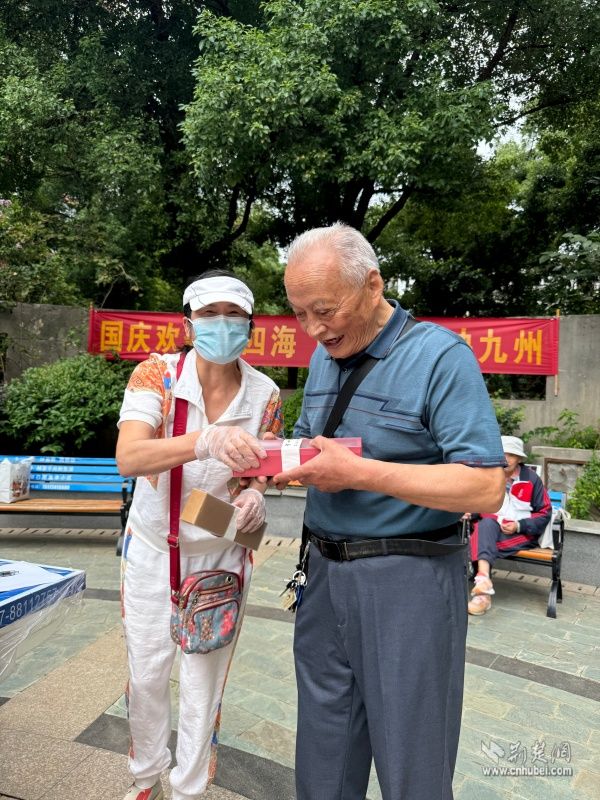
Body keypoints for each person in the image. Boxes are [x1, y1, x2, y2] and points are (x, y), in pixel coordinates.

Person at [271, 223, 505, 800]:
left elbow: (485, 488)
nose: (313, 329)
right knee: (323, 750)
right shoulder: (325, 357)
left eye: (324, 311)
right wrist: (265, 459)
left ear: (372, 285)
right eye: (299, 314)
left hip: (409, 579)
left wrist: (361, 473)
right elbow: (311, 443)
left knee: (412, 757)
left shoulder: (440, 357)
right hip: (323, 575)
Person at [116, 271, 282, 800]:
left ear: (250, 327)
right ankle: (146, 777)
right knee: (147, 675)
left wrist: (256, 492)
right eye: (210, 314)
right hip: (153, 550)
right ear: (188, 324)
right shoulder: (158, 376)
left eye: (234, 315)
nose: (222, 324)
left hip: (222, 554)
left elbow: (262, 466)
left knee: (203, 682)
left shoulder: (265, 393)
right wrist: (204, 441)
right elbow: (130, 456)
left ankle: (188, 789)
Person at [467, 434, 552, 616]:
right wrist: (469, 513)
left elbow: (545, 512)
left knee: (479, 539)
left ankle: (482, 593)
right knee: (485, 524)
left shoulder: (531, 479)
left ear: (519, 458)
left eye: (511, 454)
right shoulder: (489, 476)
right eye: (502, 453)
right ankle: (483, 585)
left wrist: (519, 525)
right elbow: (480, 505)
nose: (505, 458)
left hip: (522, 534)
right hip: (491, 529)